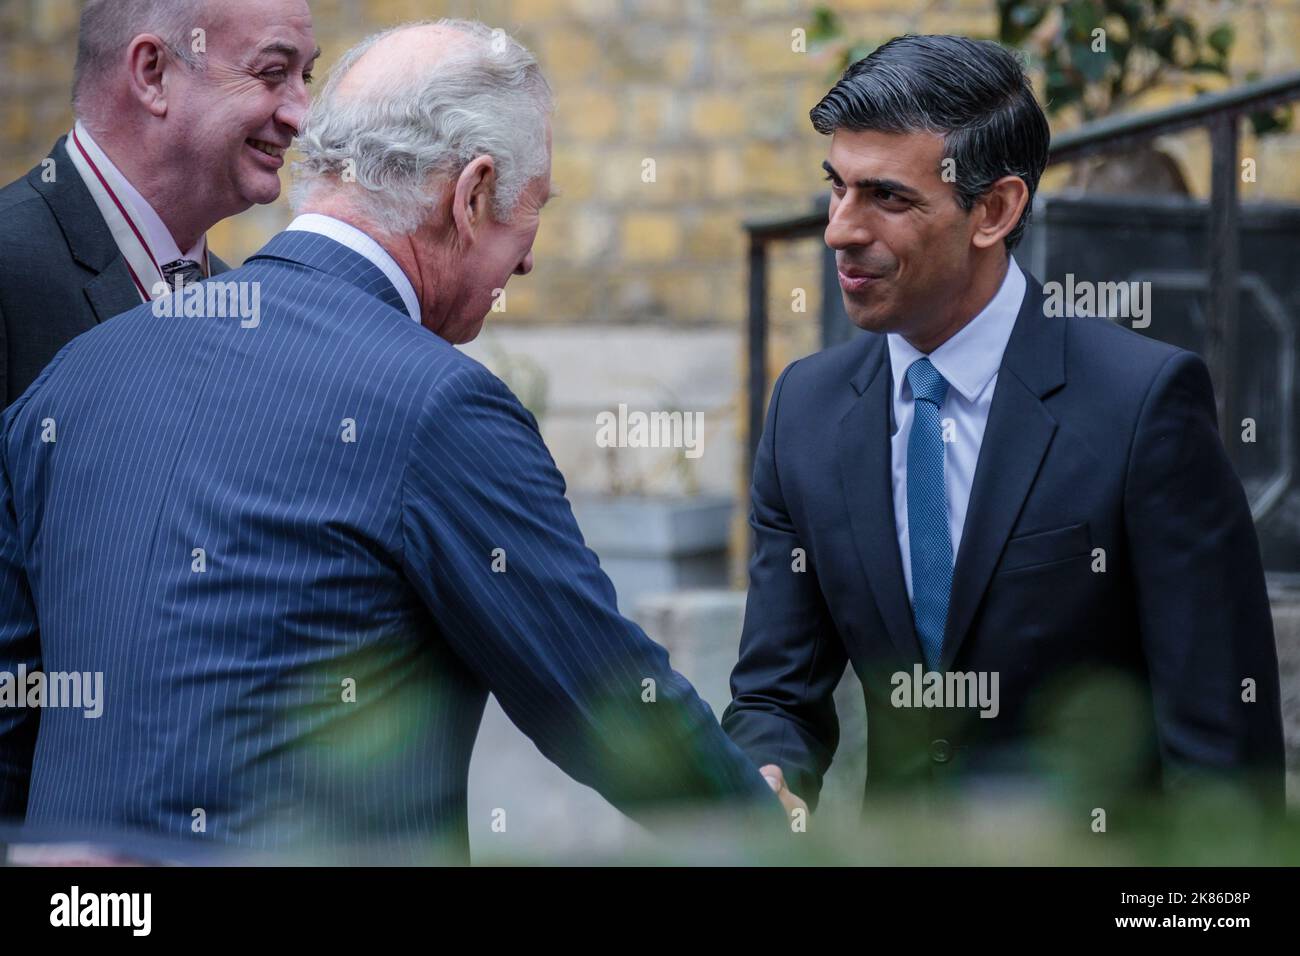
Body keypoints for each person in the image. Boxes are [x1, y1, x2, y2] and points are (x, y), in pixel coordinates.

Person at [0, 19, 777, 862]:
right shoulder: (439, 407)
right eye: (534, 212)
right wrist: (772, 831)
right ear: (470, 193)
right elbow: (605, 701)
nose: (524, 266)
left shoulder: (76, 377)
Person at [723, 35, 1285, 825]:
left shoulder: (1142, 405)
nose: (840, 230)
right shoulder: (805, 413)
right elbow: (776, 693)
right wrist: (769, 780)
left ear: (995, 210)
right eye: (837, 188)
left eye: (887, 197)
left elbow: (1221, 750)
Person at [0, 0, 317, 407]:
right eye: (273, 72)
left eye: (306, 75)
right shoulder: (12, 271)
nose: (302, 117)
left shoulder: (236, 302)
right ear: (153, 74)